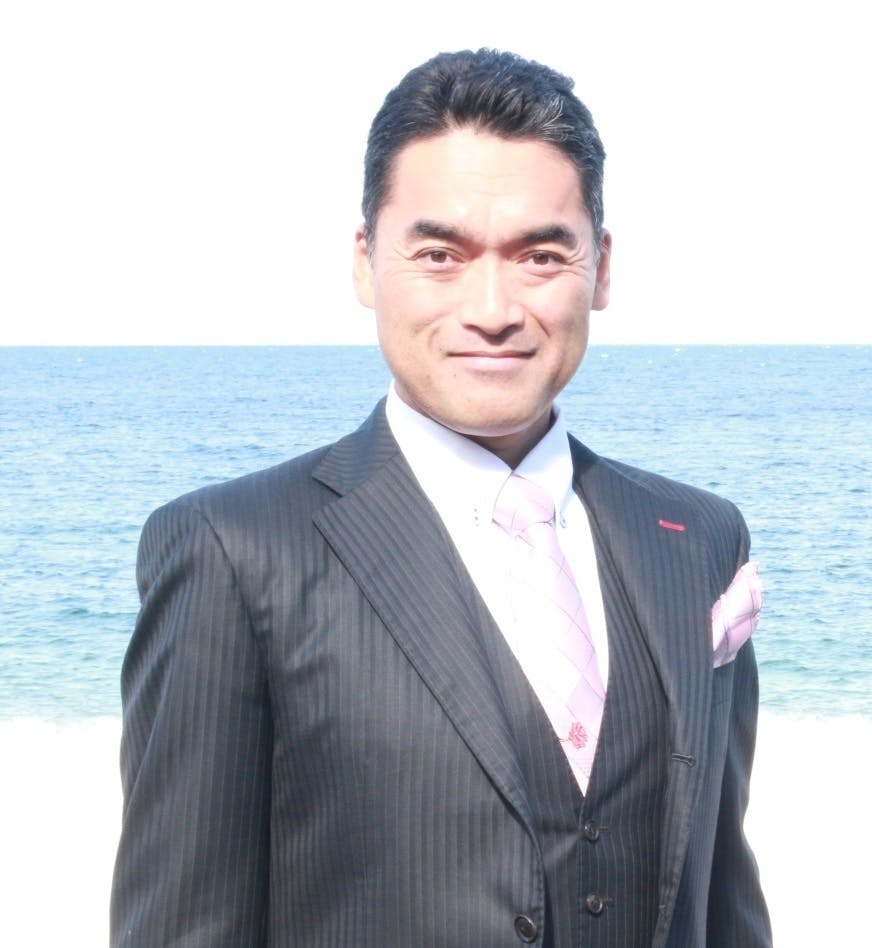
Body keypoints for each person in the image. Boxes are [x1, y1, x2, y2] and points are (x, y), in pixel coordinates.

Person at [111, 49, 771, 947]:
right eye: (439, 255)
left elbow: (724, 899)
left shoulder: (698, 537)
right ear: (365, 263)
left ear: (601, 268)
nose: (492, 308)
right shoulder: (233, 550)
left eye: (541, 255)